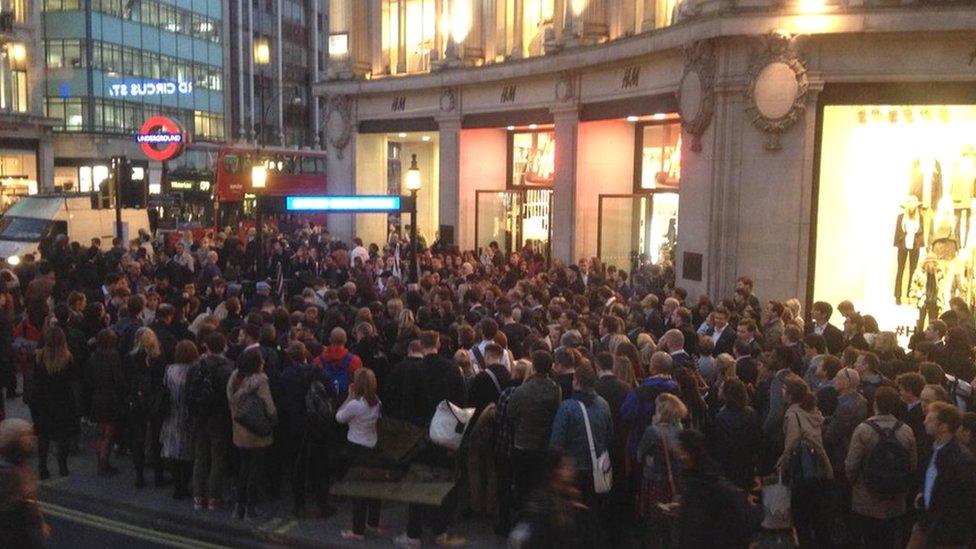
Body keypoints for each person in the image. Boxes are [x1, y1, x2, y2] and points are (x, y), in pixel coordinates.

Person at [845, 386, 917, 549]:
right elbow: (912, 465)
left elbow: (852, 465)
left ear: (875, 403)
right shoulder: (906, 431)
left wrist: (854, 484)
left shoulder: (863, 429)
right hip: (895, 497)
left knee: (869, 538)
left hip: (867, 495)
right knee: (889, 540)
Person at [548, 363, 612, 546]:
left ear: (576, 382)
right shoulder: (604, 404)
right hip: (597, 469)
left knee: (574, 518)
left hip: (574, 471)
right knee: (593, 514)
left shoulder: (567, 408)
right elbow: (609, 435)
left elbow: (556, 443)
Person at [674, 429, 759, 549]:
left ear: (688, 453)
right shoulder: (711, 477)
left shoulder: (700, 484)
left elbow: (694, 528)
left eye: (679, 448)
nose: (676, 451)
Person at [907, 401, 976, 548]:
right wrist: (922, 492)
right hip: (926, 521)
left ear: (943, 427)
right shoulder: (932, 449)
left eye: (930, 420)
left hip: (945, 532)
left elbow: (965, 501)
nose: (924, 421)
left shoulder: (960, 460)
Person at [777, 374, 833, 548]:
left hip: (801, 471)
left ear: (790, 394)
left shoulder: (793, 415)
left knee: (801, 518)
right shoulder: (812, 411)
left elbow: (791, 444)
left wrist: (781, 465)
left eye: (784, 388)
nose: (781, 391)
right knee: (818, 516)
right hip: (819, 468)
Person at [508, 350, 562, 509]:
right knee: (541, 483)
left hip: (523, 443)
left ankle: (522, 515)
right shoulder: (555, 389)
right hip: (544, 442)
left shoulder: (522, 390)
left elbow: (511, 413)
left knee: (522, 484)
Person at [228, 348, 276, 520]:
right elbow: (269, 406)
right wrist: (273, 420)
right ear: (257, 364)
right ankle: (250, 508)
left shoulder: (235, 378)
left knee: (243, 469)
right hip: (256, 431)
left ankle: (238, 508)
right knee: (255, 471)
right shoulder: (260, 381)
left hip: (239, 431)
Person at [336, 368, 383, 541]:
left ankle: (357, 530)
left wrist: (349, 396)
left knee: (358, 490)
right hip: (373, 445)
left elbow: (339, 417)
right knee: (374, 488)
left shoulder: (356, 405)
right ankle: (373, 522)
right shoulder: (377, 402)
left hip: (356, 446)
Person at [191, 332, 235, 511]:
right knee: (218, 458)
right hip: (219, 418)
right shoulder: (228, 368)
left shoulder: (196, 366)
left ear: (206, 346)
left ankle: (198, 496)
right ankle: (213, 497)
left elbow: (189, 391)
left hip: (200, 416)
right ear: (224, 346)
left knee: (200, 456)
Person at [27, 326, 78, 480]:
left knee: (44, 436)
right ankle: (62, 466)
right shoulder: (67, 358)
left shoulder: (38, 357)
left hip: (43, 401)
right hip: (62, 401)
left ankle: (42, 467)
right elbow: (71, 380)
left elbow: (34, 379)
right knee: (63, 436)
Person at [637, 393, 687, 549]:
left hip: (655, 480)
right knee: (671, 522)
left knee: (654, 522)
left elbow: (640, 455)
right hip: (675, 479)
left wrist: (648, 459)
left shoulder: (652, 431)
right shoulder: (680, 428)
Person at [508, 451, 584, 549]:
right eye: (565, 467)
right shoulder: (542, 502)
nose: (571, 470)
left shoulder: (572, 497)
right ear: (555, 470)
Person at [124, 327, 168, 488]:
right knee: (157, 440)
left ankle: (139, 476)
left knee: (138, 439)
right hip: (155, 402)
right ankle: (158, 476)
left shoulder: (130, 358)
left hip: (137, 402)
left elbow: (126, 381)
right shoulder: (159, 358)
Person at [160, 340, 200, 500]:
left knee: (172, 451)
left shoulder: (169, 370)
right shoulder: (195, 370)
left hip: (172, 412)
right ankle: (185, 484)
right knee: (189, 451)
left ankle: (178, 486)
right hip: (188, 414)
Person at [0, 418, 48, 548]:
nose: (32, 439)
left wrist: (40, 521)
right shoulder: (6, 472)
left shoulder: (21, 464)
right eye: (26, 435)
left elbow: (30, 499)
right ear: (13, 440)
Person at [708, 379, 761, 490]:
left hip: (730, 468)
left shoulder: (721, 418)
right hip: (748, 465)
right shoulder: (752, 413)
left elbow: (721, 448)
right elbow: (757, 441)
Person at [85, 328, 124, 476]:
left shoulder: (93, 357)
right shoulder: (114, 357)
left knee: (102, 431)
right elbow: (119, 380)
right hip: (110, 397)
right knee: (109, 433)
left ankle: (101, 459)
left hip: (97, 397)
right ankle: (103, 462)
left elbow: (88, 379)